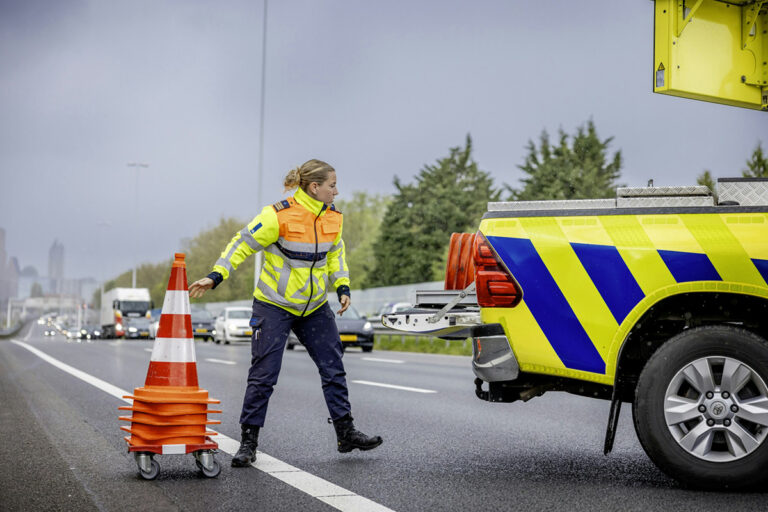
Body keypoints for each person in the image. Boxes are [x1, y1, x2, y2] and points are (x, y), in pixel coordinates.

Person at [189, 159, 382, 467]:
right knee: (264, 375)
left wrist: (342, 286)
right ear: (314, 187)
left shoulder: (333, 217)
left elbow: (336, 253)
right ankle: (248, 442)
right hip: (274, 305)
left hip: (315, 307)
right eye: (332, 185)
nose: (337, 191)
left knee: (333, 368)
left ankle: (346, 434)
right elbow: (241, 243)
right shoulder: (276, 215)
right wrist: (216, 275)